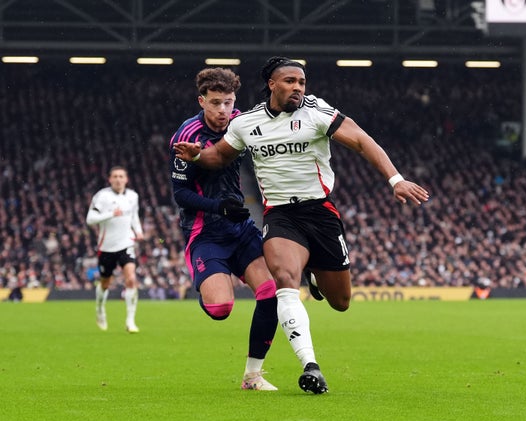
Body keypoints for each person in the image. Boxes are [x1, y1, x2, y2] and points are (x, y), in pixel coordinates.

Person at [174, 56, 430, 392]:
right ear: (272, 84)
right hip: (280, 215)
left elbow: (362, 141)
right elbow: (219, 156)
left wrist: (395, 179)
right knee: (282, 283)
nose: (298, 88)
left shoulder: (318, 112)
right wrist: (195, 155)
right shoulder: (247, 123)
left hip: (321, 214)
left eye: (302, 83)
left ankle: (312, 272)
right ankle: (310, 366)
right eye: (290, 81)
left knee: (340, 301)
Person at [170, 66, 322, 393]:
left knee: (271, 293)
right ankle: (208, 282)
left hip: (240, 228)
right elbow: (180, 194)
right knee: (221, 308)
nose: (222, 111)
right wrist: (217, 206)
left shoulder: (243, 123)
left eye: (227, 103)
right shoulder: (187, 136)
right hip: (206, 233)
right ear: (202, 101)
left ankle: (252, 376)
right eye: (215, 103)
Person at [86, 166, 144, 333]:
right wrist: (111, 214)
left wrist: (138, 231)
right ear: (110, 179)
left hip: (126, 243)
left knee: (131, 279)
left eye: (121, 176)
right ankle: (100, 308)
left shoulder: (133, 196)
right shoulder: (102, 196)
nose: (118, 179)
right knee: (106, 283)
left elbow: (134, 216)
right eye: (115, 176)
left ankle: (130, 321)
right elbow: (90, 219)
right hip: (106, 247)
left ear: (126, 179)